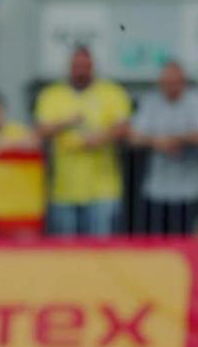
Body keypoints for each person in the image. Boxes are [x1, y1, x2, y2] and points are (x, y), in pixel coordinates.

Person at [35, 46, 132, 236]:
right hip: (64, 190)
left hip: (103, 190)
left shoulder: (111, 92)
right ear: (69, 67)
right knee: (67, 249)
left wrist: (100, 137)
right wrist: (67, 122)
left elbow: (124, 127)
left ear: (93, 67)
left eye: (85, 66)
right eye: (76, 66)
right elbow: (41, 130)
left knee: (101, 248)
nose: (80, 71)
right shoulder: (52, 95)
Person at [130, 61, 198, 235]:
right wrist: (157, 142)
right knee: (156, 242)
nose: (171, 86)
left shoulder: (195, 101)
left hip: (189, 191)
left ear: (183, 81)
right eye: (167, 82)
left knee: (187, 241)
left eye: (175, 82)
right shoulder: (151, 101)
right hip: (156, 189)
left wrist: (178, 141)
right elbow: (134, 137)